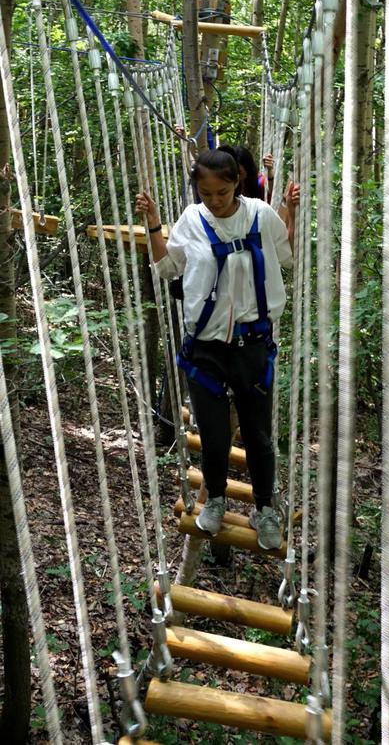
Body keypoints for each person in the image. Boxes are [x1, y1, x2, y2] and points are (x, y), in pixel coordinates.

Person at [135, 149, 299, 550]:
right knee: (212, 434)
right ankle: (216, 498)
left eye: (222, 192)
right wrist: (154, 224)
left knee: (258, 436)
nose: (214, 200)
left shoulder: (260, 215)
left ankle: (264, 508)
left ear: (237, 184)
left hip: (252, 346)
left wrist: (290, 213)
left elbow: (287, 257)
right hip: (206, 349)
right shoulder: (192, 220)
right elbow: (167, 266)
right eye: (206, 193)